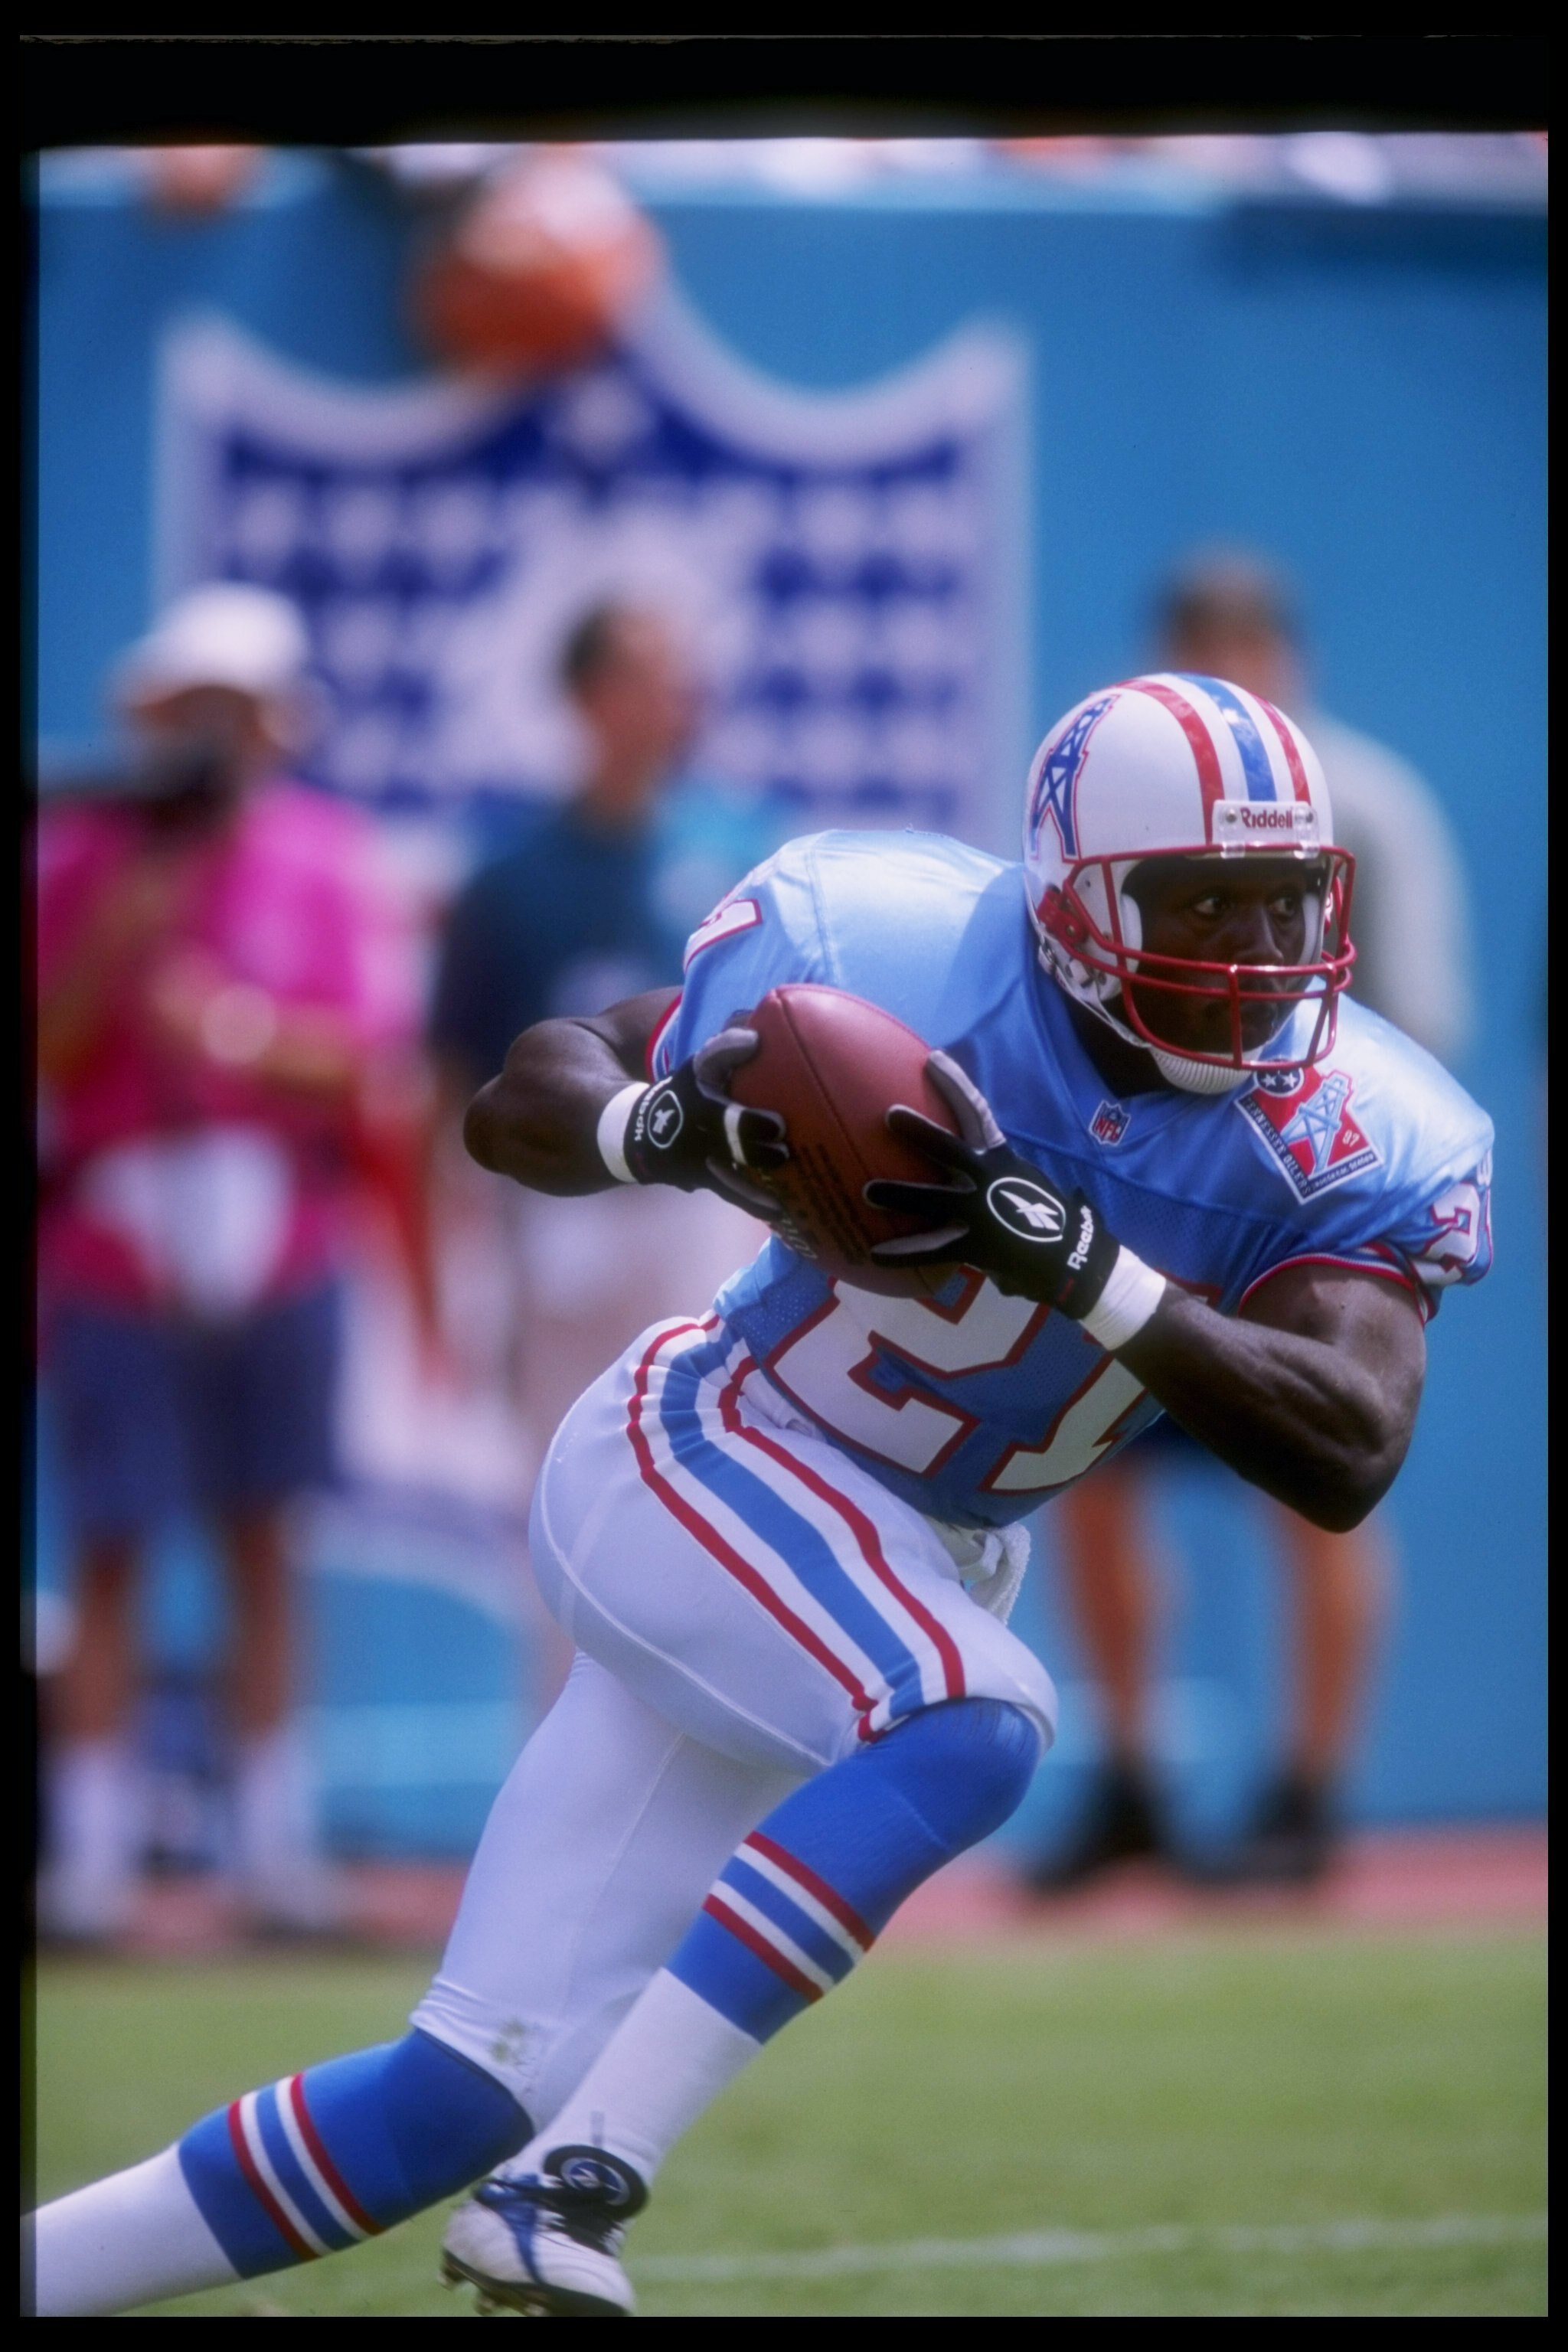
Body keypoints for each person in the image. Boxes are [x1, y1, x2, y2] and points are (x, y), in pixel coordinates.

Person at [30, 673, 1492, 2316]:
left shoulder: (1360, 1126)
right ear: (1072, 904)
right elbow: (533, 1091)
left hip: (894, 1548)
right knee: (976, 1715)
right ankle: (579, 2181)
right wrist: (671, 1126)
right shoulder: (887, 951)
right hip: (707, 1450)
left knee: (454, 2089)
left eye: (1281, 902)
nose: (1244, 952)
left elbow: (1349, 1444)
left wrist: (1085, 1270)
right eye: (1197, 902)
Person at [1030, 551, 1478, 1890]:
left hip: (1294, 1204)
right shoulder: (1123, 804)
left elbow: (1414, 1040)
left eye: (1243, 649)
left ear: (1289, 658)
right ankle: (1130, 1771)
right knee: (1087, 1477)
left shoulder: (1366, 807)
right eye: (1196, 651)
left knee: (1316, 1479)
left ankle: (1311, 1783)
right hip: (1141, 1190)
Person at [34, 582, 416, 1942]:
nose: (210, 738)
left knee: (264, 1544)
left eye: (233, 714)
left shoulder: (322, 857)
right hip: (113, 1234)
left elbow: (361, 1055)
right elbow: (53, 1048)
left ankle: (273, 1856)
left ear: (270, 727)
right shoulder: (85, 859)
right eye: (191, 712)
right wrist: (128, 918)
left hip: (278, 1231)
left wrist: (236, 1031)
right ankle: (87, 1866)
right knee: (113, 1546)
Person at [426, 599, 777, 1490]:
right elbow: (453, 1079)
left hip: (698, 1195)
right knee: (564, 1467)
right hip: (558, 1206)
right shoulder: (510, 879)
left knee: (711, 1458)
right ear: (587, 697)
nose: (674, 695)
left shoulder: (739, 852)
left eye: (677, 674)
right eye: (645, 673)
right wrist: (441, 1257)